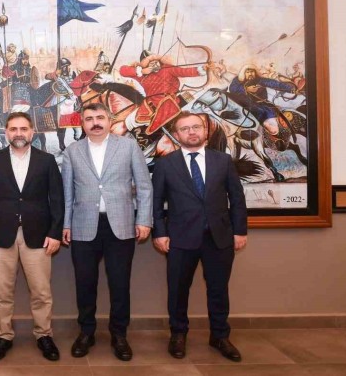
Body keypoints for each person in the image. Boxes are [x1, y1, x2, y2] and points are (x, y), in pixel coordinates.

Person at [151, 111, 248, 362]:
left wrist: (239, 231)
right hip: (179, 238)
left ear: (206, 131)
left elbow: (237, 198)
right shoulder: (165, 164)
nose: (191, 132)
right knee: (178, 290)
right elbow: (156, 202)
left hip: (219, 237)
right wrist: (159, 233)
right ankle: (178, 334)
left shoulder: (223, 161)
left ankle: (220, 336)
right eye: (185, 129)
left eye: (196, 127)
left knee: (218, 290)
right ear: (176, 134)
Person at [60, 103, 153, 361]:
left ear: (110, 120)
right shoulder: (72, 151)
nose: (95, 123)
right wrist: (66, 224)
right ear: (82, 123)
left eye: (100, 117)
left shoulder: (128, 146)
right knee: (85, 283)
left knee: (120, 284)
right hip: (83, 226)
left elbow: (144, 186)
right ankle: (86, 332)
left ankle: (119, 334)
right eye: (89, 119)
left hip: (121, 226)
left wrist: (144, 220)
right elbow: (67, 193)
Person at [0, 112, 64, 361]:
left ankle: (44, 335)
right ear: (6, 132)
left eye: (23, 129)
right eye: (13, 129)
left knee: (41, 292)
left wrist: (55, 233)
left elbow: (57, 200)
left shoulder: (46, 161)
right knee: (2, 292)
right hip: (0, 236)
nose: (18, 133)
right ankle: (3, 336)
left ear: (32, 132)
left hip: (38, 236)